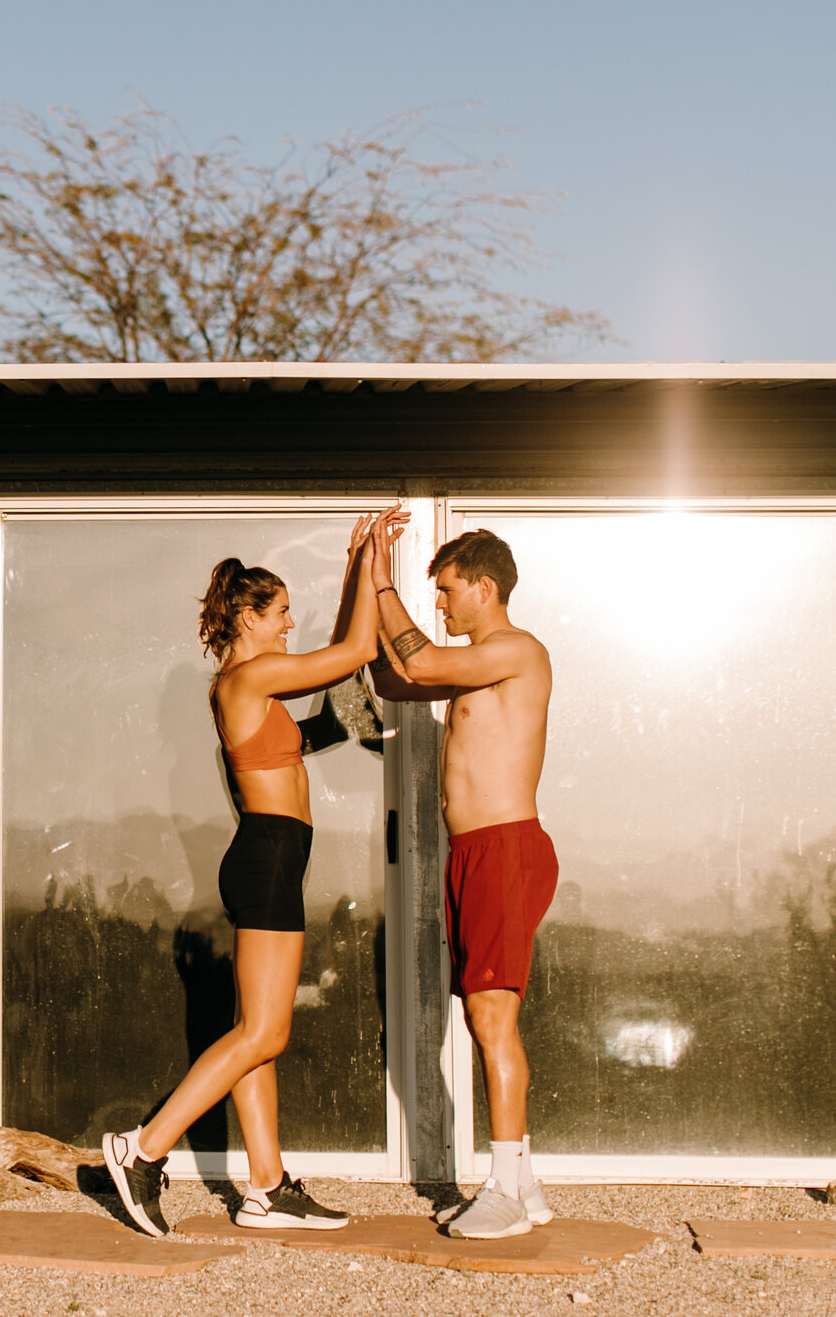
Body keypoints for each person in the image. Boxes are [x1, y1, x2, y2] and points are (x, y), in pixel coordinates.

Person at [103, 515, 386, 1237]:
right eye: (282, 611)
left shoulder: (256, 688)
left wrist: (356, 570)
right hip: (265, 859)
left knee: (256, 1031)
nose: (291, 623)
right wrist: (372, 558)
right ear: (249, 616)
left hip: (274, 858)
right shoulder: (249, 676)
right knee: (265, 1030)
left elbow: (328, 719)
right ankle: (142, 1150)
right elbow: (353, 647)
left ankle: (265, 1186)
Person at [365, 507, 557, 1239]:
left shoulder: (517, 649)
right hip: (474, 853)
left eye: (445, 589)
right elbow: (392, 676)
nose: (438, 604)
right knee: (486, 1017)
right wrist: (364, 581)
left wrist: (385, 579)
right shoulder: (476, 668)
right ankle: (526, 1183)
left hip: (505, 848)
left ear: (483, 586)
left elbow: (416, 659)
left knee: (491, 1017)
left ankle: (504, 1189)